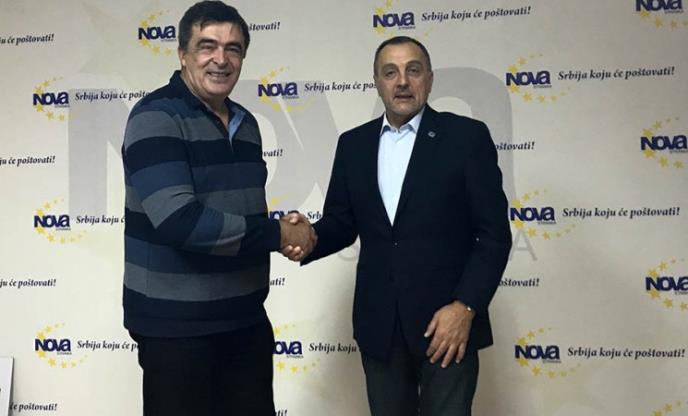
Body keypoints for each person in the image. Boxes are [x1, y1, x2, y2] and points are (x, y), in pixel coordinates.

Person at [284, 36, 511, 415]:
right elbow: (342, 223)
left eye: (413, 70)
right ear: (376, 82)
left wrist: (465, 307)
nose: (402, 81)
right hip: (380, 327)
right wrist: (307, 237)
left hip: (447, 327)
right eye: (390, 72)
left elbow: (494, 236)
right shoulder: (353, 145)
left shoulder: (466, 138)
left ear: (430, 79)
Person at [121, 2, 315, 415]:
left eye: (234, 49)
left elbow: (241, 215)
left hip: (245, 321)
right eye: (207, 46)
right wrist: (279, 234)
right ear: (183, 54)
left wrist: (287, 228)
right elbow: (180, 222)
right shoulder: (156, 117)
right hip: (176, 331)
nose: (221, 59)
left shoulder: (246, 124)